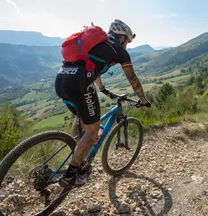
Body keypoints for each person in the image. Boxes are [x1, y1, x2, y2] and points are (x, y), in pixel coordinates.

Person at [55, 19, 151, 187]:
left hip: (62, 79)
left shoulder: (98, 45)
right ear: (122, 38)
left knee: (82, 119)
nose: (126, 45)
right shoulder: (119, 50)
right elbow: (133, 79)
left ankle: (77, 152)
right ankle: (71, 175)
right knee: (92, 133)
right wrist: (143, 100)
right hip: (80, 84)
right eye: (127, 41)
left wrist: (103, 89)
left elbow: (93, 67)